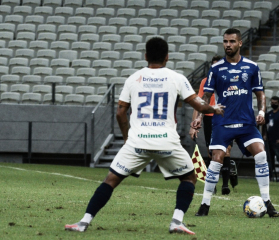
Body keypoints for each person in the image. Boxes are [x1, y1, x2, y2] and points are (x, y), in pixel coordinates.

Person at [64, 37, 225, 235]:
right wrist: (214, 108)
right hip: (167, 141)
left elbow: (120, 112)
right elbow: (200, 105)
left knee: (110, 181)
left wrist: (126, 138)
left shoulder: (133, 78)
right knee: (189, 178)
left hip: (137, 141)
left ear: (146, 56)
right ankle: (176, 221)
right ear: (167, 57)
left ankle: (83, 222)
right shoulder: (177, 78)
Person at [191, 28, 279, 217]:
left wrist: (262, 111)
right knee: (216, 160)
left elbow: (260, 93)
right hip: (222, 123)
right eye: (225, 42)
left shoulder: (252, 67)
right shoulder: (215, 69)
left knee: (261, 154)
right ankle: (205, 204)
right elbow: (206, 96)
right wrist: (199, 117)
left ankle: (267, 201)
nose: (228, 45)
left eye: (232, 41)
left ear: (240, 43)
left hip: (247, 124)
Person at [189, 55, 236, 195]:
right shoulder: (205, 82)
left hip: (226, 117)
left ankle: (225, 185)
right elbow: (199, 103)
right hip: (210, 118)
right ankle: (213, 184)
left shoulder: (232, 80)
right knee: (212, 153)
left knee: (226, 150)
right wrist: (194, 124)